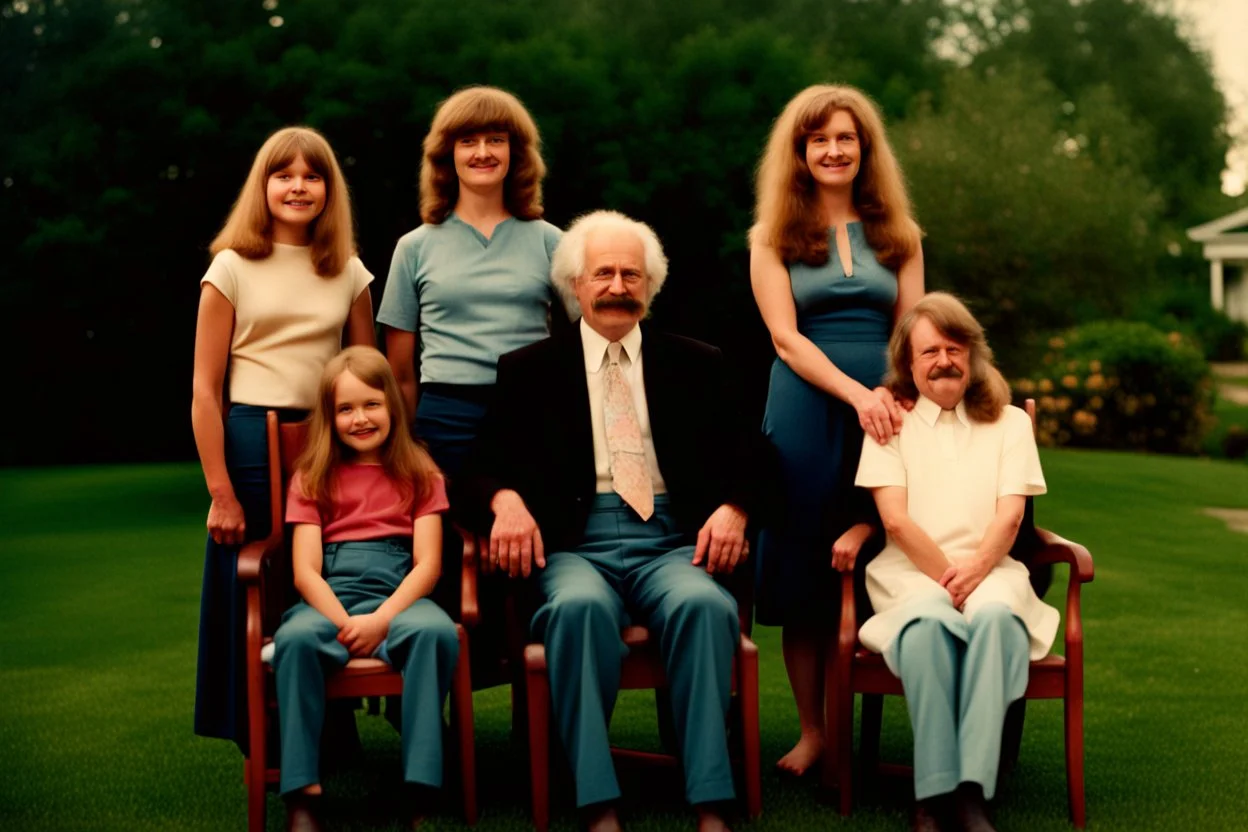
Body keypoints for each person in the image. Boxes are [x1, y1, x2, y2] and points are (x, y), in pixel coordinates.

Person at [461, 210, 766, 832]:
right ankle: (596, 799)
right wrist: (503, 502)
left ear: (650, 288)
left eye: (632, 275)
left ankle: (710, 797)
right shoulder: (529, 369)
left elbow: (758, 456)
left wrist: (736, 509)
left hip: (672, 542)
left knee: (705, 607)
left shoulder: (697, 363)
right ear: (576, 285)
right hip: (575, 546)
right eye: (603, 273)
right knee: (576, 611)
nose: (618, 287)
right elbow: (476, 467)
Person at [748, 84, 925, 775]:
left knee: (880, 552)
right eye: (818, 139)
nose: (832, 150)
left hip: (889, 415)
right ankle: (815, 731)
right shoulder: (771, 237)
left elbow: (913, 330)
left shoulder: (901, 237)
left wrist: (889, 395)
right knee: (802, 567)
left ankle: (873, 719)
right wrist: (857, 393)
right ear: (799, 152)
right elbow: (785, 339)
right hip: (806, 409)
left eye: (845, 138)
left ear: (864, 148)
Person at [192, 126, 375, 751]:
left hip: (332, 441)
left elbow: (368, 375)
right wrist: (220, 491)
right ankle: (256, 728)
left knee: (330, 572)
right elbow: (204, 390)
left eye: (313, 175)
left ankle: (332, 727)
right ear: (263, 185)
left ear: (329, 189)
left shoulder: (349, 270)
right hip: (249, 440)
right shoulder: (231, 266)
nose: (299, 186)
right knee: (256, 578)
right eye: (284, 174)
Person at [854, 292, 1058, 832]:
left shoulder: (1011, 424)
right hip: (909, 574)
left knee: (997, 619)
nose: (944, 360)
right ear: (907, 362)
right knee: (925, 628)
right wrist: (948, 580)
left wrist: (974, 573)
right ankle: (932, 794)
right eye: (929, 352)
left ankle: (970, 794)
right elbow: (894, 520)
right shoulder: (888, 424)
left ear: (973, 354)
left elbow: (1010, 517)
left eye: (954, 347)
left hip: (993, 571)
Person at [274, 346, 459, 831]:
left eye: (371, 404)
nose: (360, 418)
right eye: (345, 408)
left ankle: (420, 783)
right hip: (330, 592)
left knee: (434, 633)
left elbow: (429, 565)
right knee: (294, 640)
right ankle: (302, 793)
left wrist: (381, 619)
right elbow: (305, 572)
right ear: (329, 417)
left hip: (402, 591)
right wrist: (343, 622)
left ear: (392, 407)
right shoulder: (311, 478)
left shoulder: (420, 472)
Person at [378, 85, 564, 479]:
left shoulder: (553, 241)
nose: (483, 153)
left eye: (496, 140)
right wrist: (409, 445)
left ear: (516, 153)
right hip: (444, 418)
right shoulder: (413, 247)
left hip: (529, 413)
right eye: (468, 141)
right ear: (448, 154)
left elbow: (590, 338)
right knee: (454, 541)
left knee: (524, 538)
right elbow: (400, 372)